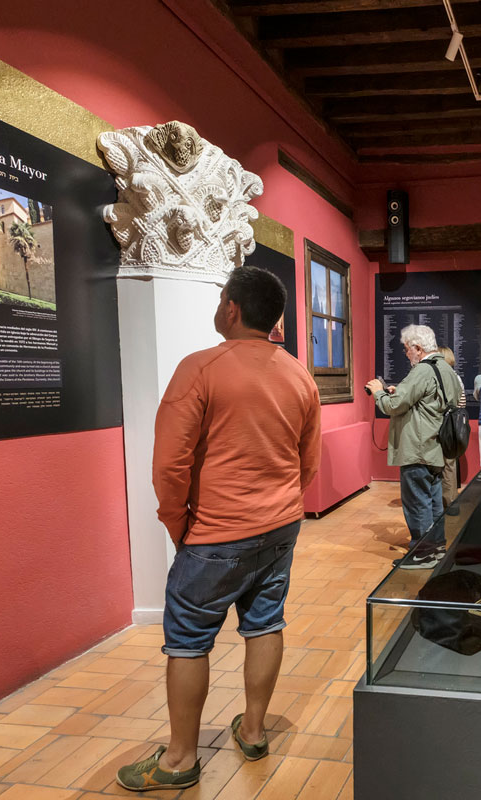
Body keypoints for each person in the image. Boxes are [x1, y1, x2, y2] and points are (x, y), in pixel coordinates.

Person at [117, 266, 321, 792]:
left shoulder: (200, 368)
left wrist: (177, 524)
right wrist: (284, 507)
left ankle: (180, 759)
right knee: (266, 622)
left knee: (187, 639)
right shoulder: (299, 374)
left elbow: (169, 465)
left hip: (214, 533)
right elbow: (308, 462)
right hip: (280, 526)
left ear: (230, 308)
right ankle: (253, 730)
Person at [366, 324, 462, 570]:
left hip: (417, 448)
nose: (406, 353)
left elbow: (393, 406)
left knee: (417, 502)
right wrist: (400, 391)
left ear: (418, 349)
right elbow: (430, 401)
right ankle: (436, 547)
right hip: (435, 447)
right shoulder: (445, 368)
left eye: (407, 349)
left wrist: (378, 392)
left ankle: (422, 553)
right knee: (433, 501)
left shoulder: (422, 370)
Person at [437, 346, 466, 514]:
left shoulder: (438, 378)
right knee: (450, 464)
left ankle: (441, 503)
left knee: (441, 464)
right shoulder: (457, 378)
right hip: (454, 427)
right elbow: (462, 404)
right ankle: (452, 501)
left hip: (440, 426)